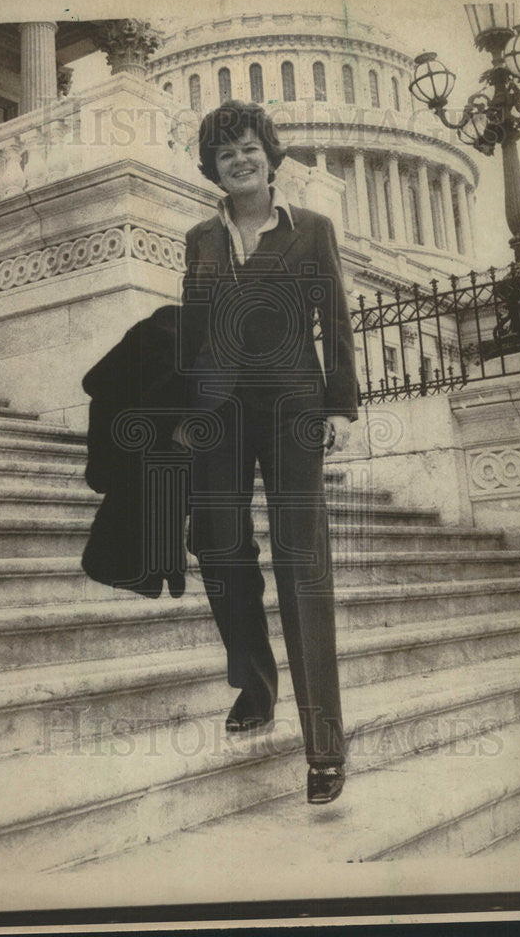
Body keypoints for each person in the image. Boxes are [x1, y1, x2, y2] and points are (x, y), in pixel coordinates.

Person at [179, 101, 358, 804]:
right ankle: (254, 685)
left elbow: (337, 319)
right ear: (212, 167)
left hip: (292, 412)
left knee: (300, 567)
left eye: (248, 148)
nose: (239, 161)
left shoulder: (310, 230)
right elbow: (191, 329)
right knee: (218, 546)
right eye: (225, 155)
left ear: (269, 152)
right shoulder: (199, 237)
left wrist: (340, 405)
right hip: (219, 415)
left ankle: (323, 746)